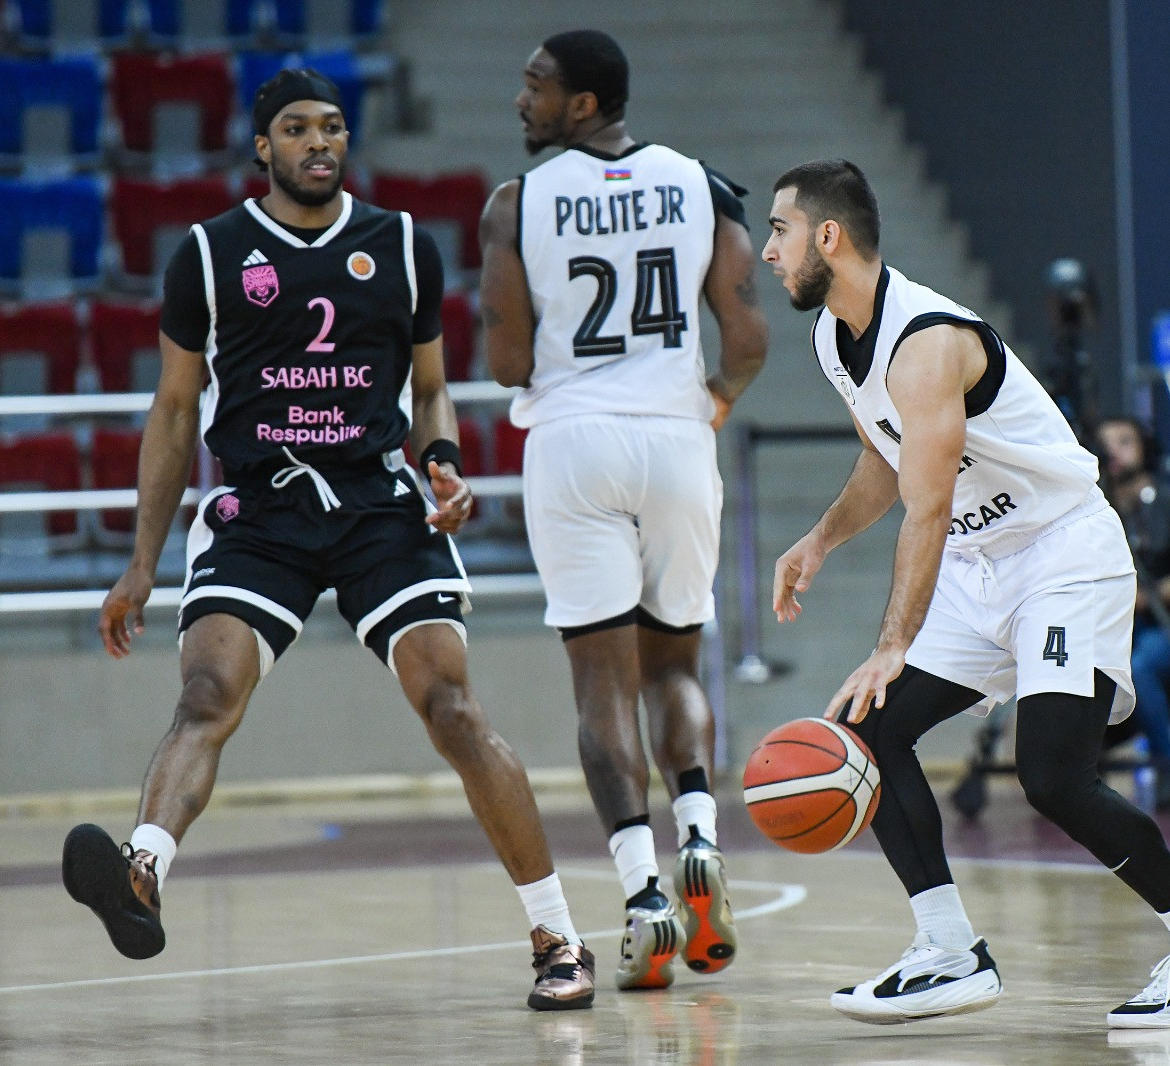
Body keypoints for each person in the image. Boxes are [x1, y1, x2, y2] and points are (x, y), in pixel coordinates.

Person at [60, 69, 595, 1012]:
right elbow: (175, 411)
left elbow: (430, 389)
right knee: (206, 693)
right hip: (260, 507)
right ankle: (141, 873)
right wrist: (140, 565)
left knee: (453, 708)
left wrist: (442, 463)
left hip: (376, 501)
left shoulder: (401, 243)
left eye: (334, 127)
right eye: (299, 128)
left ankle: (558, 935)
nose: (320, 142)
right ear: (262, 146)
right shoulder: (210, 254)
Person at [764, 159, 1170, 1028]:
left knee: (1053, 775)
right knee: (867, 730)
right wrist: (820, 538)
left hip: (1060, 556)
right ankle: (948, 951)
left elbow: (926, 507)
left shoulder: (927, 342)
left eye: (780, 230)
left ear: (829, 236)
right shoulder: (832, 340)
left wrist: (892, 644)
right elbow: (887, 458)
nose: (769, 250)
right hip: (978, 565)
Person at [478, 31, 768, 990]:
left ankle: (645, 896)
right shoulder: (701, 186)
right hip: (677, 437)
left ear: (584, 104)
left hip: (573, 443)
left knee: (601, 684)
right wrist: (713, 400)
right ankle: (701, 837)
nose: (521, 100)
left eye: (536, 86)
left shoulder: (516, 204)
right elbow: (749, 338)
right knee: (675, 663)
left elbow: (507, 362)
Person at [1096, 416, 1170, 811]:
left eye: (1124, 441)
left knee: (1139, 665)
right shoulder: (1096, 511)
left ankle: (1169, 766)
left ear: (1146, 448)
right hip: (1114, 631)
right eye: (1105, 444)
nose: (1113, 452)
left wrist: (1143, 598)